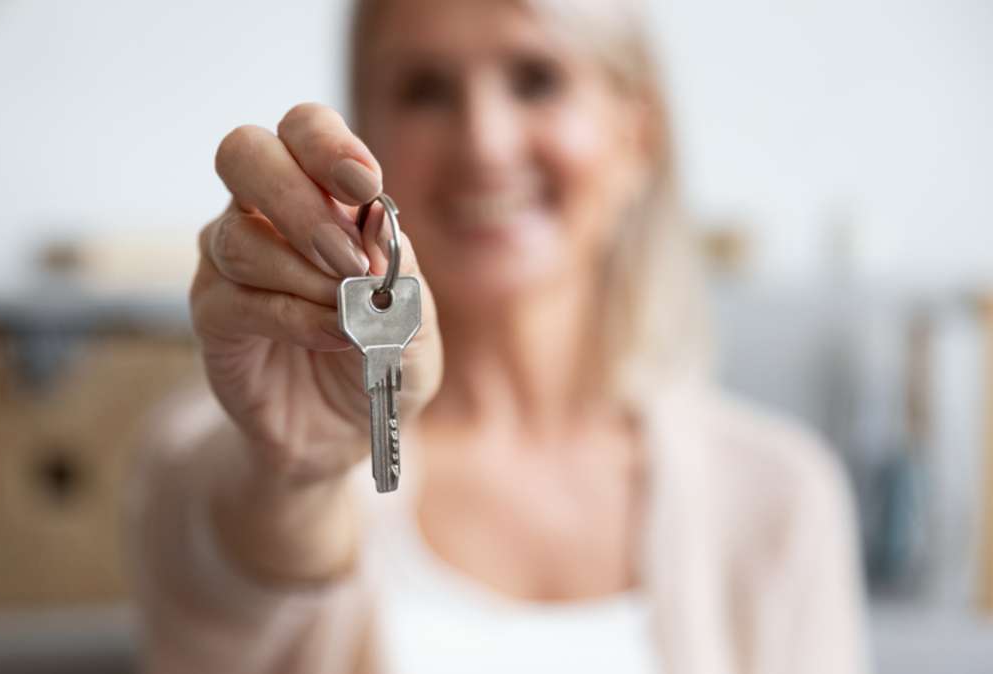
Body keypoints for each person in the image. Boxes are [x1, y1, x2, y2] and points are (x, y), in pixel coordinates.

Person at [127, 0, 868, 672]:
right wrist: (297, 477)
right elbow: (217, 611)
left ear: (636, 133)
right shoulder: (227, 455)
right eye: (425, 89)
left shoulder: (780, 494)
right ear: (368, 134)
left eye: (537, 79)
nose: (484, 142)